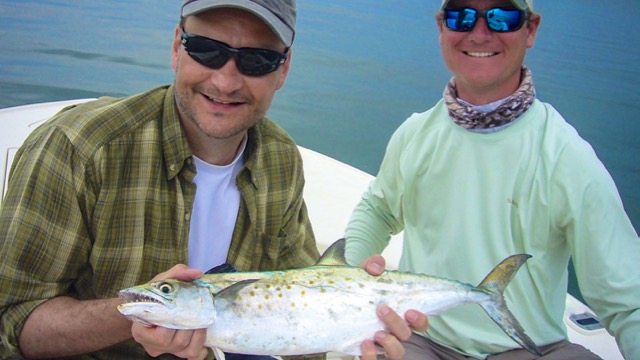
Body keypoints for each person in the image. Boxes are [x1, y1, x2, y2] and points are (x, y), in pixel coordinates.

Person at [0, 1, 426, 359]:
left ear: (283, 69)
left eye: (258, 60)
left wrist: (352, 322)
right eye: (206, 50)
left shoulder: (279, 159)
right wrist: (136, 313)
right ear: (176, 48)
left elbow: (297, 290)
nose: (225, 80)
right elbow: (13, 319)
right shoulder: (77, 149)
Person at [344, 0, 640, 359]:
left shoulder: (567, 157)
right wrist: (345, 280)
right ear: (441, 27)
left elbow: (629, 303)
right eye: (461, 16)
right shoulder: (414, 133)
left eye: (502, 17)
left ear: (530, 30)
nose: (480, 33)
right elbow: (379, 209)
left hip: (529, 348)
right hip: (418, 336)